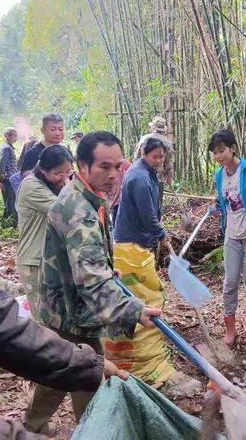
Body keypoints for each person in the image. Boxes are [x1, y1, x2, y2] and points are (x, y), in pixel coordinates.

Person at [0, 0, 128, 439]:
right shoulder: (66, 201)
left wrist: (88, 366)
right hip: (65, 309)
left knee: (60, 380)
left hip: (66, 325)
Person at [28, 131, 161, 434]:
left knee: (57, 368)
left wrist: (104, 266)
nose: (114, 175)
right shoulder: (79, 211)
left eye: (118, 166)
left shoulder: (86, 195)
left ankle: (34, 425)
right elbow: (91, 281)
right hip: (74, 312)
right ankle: (90, 429)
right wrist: (133, 310)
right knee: (88, 379)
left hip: (62, 305)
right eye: (104, 166)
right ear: (83, 166)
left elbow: (87, 261)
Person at [112, 137, 194, 389]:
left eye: (162, 157)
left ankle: (143, 359)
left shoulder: (146, 172)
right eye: (155, 156)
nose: (159, 161)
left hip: (136, 244)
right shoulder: (138, 177)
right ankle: (141, 365)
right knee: (143, 299)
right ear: (143, 153)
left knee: (146, 294)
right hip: (130, 247)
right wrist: (162, 233)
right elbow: (148, 217)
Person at [209, 129, 246, 345]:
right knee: (230, 282)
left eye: (221, 151)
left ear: (232, 148)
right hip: (231, 236)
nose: (218, 156)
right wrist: (216, 208)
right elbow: (224, 201)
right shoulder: (219, 175)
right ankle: (230, 327)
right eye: (214, 153)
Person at [16, 145, 73, 322]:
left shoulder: (48, 184)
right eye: (58, 173)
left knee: (57, 321)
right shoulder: (32, 186)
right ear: (42, 169)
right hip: (34, 263)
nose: (64, 178)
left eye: (68, 172)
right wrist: (70, 187)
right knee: (43, 322)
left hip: (48, 261)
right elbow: (68, 212)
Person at [134, 116, 174, 207]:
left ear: (153, 128)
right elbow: (169, 163)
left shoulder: (144, 139)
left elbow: (136, 157)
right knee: (156, 204)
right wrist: (169, 177)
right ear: (164, 129)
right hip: (158, 178)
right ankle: (156, 220)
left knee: (142, 204)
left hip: (141, 177)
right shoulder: (167, 142)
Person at [0, 126, 18, 225]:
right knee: (11, 202)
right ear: (7, 136)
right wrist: (1, 181)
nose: (16, 137)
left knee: (8, 201)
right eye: (14, 135)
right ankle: (11, 224)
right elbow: (1, 165)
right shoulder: (6, 148)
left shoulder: (7, 147)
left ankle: (6, 223)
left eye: (16, 135)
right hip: (8, 179)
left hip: (9, 179)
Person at [106, 157, 131, 229]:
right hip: (112, 202)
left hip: (122, 201)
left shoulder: (123, 165)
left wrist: (111, 204)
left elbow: (120, 188)